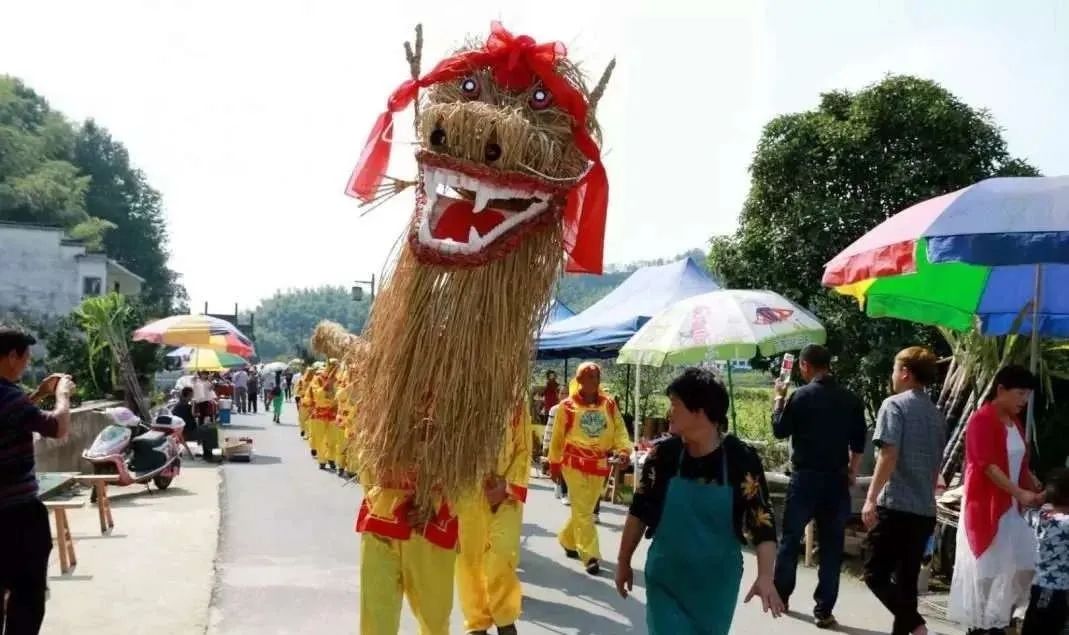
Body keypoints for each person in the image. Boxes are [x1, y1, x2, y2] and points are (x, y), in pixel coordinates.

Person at [617, 367, 782, 633]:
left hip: (716, 588)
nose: (669, 411)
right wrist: (623, 561)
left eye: (675, 404)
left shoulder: (741, 459)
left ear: (700, 410)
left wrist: (765, 575)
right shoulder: (664, 456)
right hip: (666, 580)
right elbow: (639, 510)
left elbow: (761, 520)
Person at [771, 344, 866, 628]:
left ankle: (782, 596)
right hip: (836, 480)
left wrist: (779, 399)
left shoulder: (800, 396)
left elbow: (779, 430)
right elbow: (859, 442)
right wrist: (851, 471)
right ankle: (824, 610)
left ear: (804, 366)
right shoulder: (850, 399)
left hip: (805, 478)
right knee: (832, 546)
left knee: (789, 540)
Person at [949, 364, 1043, 634]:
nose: (1023, 401)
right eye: (1020, 394)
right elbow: (987, 466)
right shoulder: (981, 419)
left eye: (1027, 396)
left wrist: (1033, 485)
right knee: (987, 571)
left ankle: (1000, 619)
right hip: (986, 509)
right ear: (1001, 389)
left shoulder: (1014, 423)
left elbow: (1020, 462)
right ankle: (981, 626)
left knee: (1022, 565)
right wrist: (1020, 492)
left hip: (1012, 508)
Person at [862, 347, 946, 635]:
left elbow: (888, 454)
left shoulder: (894, 405)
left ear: (905, 372)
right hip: (924, 509)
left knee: (875, 574)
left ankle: (917, 627)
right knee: (907, 582)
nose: (893, 375)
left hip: (896, 504)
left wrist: (871, 498)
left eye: (895, 369)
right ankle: (909, 627)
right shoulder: (936, 414)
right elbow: (936, 464)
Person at [0, 327, 75, 634]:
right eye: (26, 358)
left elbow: (10, 416)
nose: (27, 365)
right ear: (13, 356)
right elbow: (57, 427)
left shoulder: (11, 399)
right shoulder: (10, 398)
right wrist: (62, 395)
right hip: (16, 514)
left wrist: (39, 394)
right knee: (27, 596)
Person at [547, 362, 631, 575]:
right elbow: (557, 438)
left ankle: (567, 539)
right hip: (573, 463)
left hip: (600, 464)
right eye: (589, 376)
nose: (594, 381)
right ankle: (590, 555)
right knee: (585, 511)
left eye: (597, 376)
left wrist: (623, 450)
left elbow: (620, 428)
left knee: (584, 508)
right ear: (580, 380)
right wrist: (554, 463)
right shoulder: (567, 406)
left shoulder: (609, 404)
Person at [456, 400, 532, 635]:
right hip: (466, 492)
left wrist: (506, 486)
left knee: (501, 553)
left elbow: (524, 448)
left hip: (505, 495)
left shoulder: (516, 400)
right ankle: (476, 622)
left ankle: (504, 617)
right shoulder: (457, 391)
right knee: (469, 560)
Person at [1020, 468, 1069, 635]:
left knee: (1034, 627)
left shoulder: (1040, 517)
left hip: (1040, 588)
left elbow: (1025, 510)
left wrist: (1039, 497)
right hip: (1062, 592)